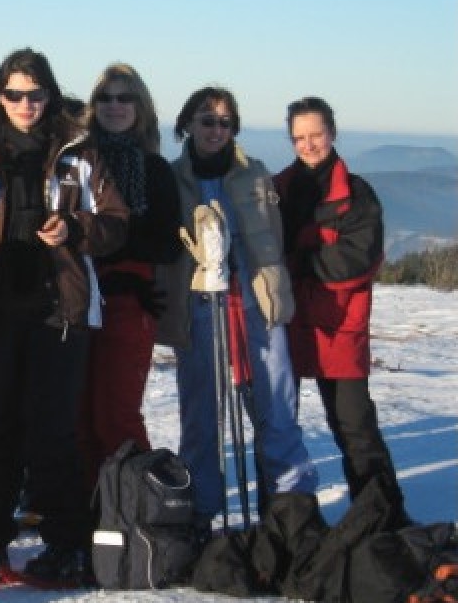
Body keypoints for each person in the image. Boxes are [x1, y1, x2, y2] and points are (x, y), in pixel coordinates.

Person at [0, 48, 128, 585]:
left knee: (52, 431)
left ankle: (66, 546)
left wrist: (74, 230)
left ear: (49, 96)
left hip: (59, 309)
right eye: (13, 94)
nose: (24, 104)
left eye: (34, 94)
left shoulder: (78, 153)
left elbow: (115, 223)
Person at [155, 86, 319, 530]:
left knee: (277, 406)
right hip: (199, 306)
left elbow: (276, 237)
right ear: (188, 124)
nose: (215, 130)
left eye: (225, 123)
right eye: (207, 121)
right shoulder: (171, 179)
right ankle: (203, 509)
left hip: (257, 303)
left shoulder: (256, 175)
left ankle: (290, 510)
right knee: (202, 413)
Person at [273, 96, 410, 526]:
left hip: (339, 324)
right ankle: (283, 518)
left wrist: (298, 262)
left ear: (332, 132)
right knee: (278, 425)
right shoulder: (277, 189)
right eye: (300, 137)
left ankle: (383, 516)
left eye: (316, 135)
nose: (309, 144)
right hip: (289, 321)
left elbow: (357, 260)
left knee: (354, 425)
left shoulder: (356, 193)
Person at [75, 64, 181, 486]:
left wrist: (118, 261)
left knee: (115, 412)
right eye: (105, 98)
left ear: (142, 108)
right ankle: (89, 510)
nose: (115, 106)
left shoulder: (153, 170)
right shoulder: (76, 162)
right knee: (78, 411)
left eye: (125, 98)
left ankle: (140, 507)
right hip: (80, 294)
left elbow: (168, 243)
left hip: (130, 299)